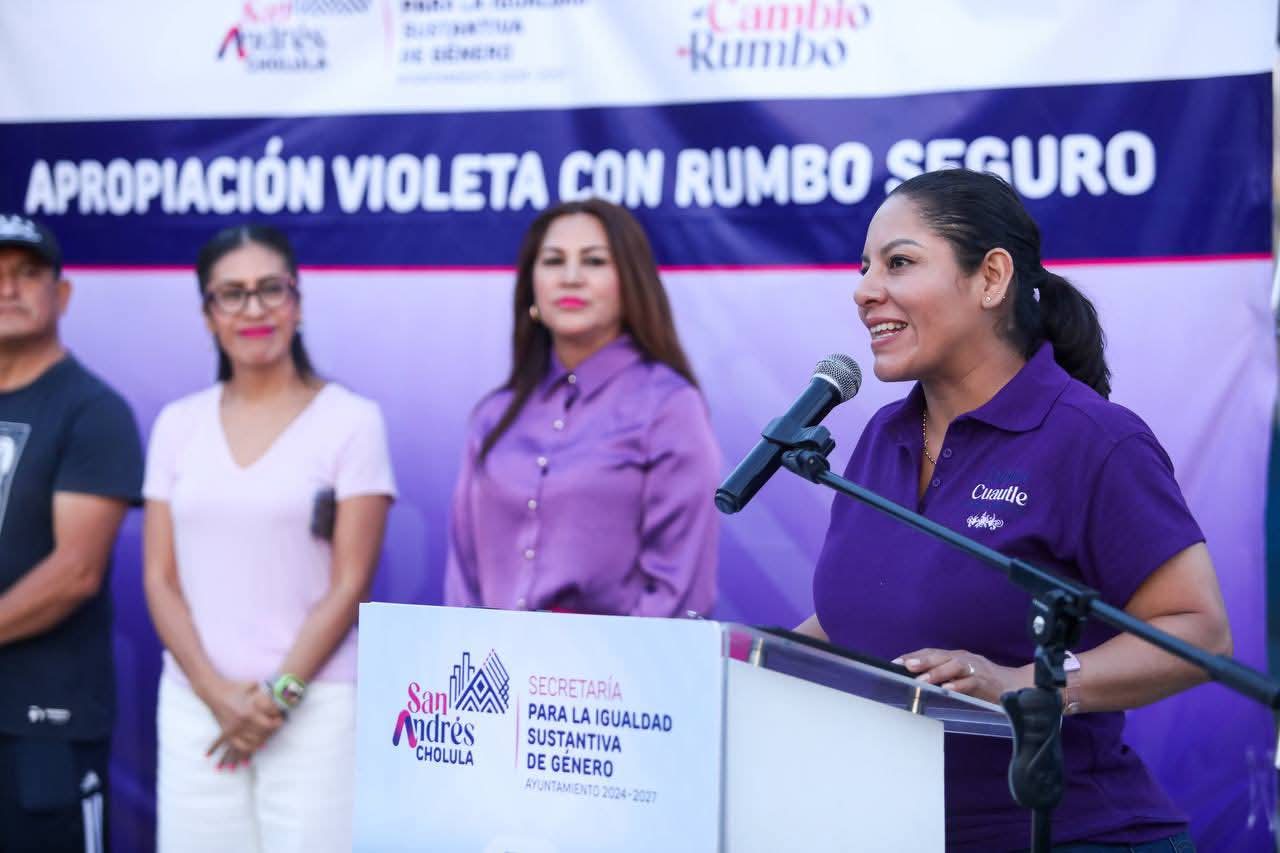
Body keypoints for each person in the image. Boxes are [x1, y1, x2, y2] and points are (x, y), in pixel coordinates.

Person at [798, 169, 1229, 852]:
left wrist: (1027, 684)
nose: (863, 290)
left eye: (899, 262)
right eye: (863, 267)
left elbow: (1198, 633)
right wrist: (740, 658)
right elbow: (856, 613)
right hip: (897, 831)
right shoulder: (883, 434)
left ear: (991, 278)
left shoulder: (1093, 439)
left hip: (1069, 834)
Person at [142, 224, 396, 853]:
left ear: (298, 303)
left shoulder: (351, 422)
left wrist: (278, 698)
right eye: (231, 294)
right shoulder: (178, 425)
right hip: (197, 709)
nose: (253, 309)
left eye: (270, 290)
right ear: (208, 314)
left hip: (317, 710)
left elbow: (351, 581)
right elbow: (159, 578)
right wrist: (215, 695)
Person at [444, 198, 719, 617]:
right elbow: (464, 577)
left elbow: (678, 587)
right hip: (493, 670)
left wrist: (609, 675)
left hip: (614, 675)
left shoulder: (667, 405)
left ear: (630, 281)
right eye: (553, 261)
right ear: (531, 286)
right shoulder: (495, 415)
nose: (571, 278)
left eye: (593, 262)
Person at [0, 214, 143, 852]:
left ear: (63, 294)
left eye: (28, 274)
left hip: (43, 725)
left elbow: (76, 572)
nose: (9, 289)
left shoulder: (93, 410)